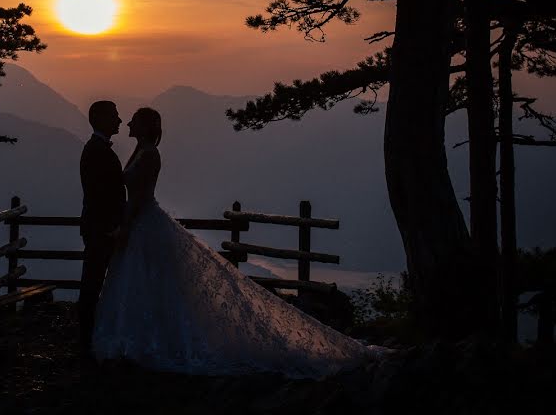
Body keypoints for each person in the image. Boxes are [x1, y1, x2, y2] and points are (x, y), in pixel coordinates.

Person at [92, 107, 378, 377]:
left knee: (156, 284)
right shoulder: (140, 150)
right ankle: (149, 337)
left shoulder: (150, 154)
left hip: (143, 224)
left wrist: (124, 229)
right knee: (152, 285)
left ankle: (155, 341)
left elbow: (139, 197)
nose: (126, 123)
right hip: (142, 223)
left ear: (142, 126)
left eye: (132, 120)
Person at [77, 100, 125, 349]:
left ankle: (90, 335)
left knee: (94, 282)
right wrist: (110, 227)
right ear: (102, 119)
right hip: (101, 231)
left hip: (100, 229)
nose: (119, 120)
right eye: (115, 115)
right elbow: (98, 194)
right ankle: (86, 339)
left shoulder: (96, 148)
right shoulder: (98, 151)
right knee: (93, 283)